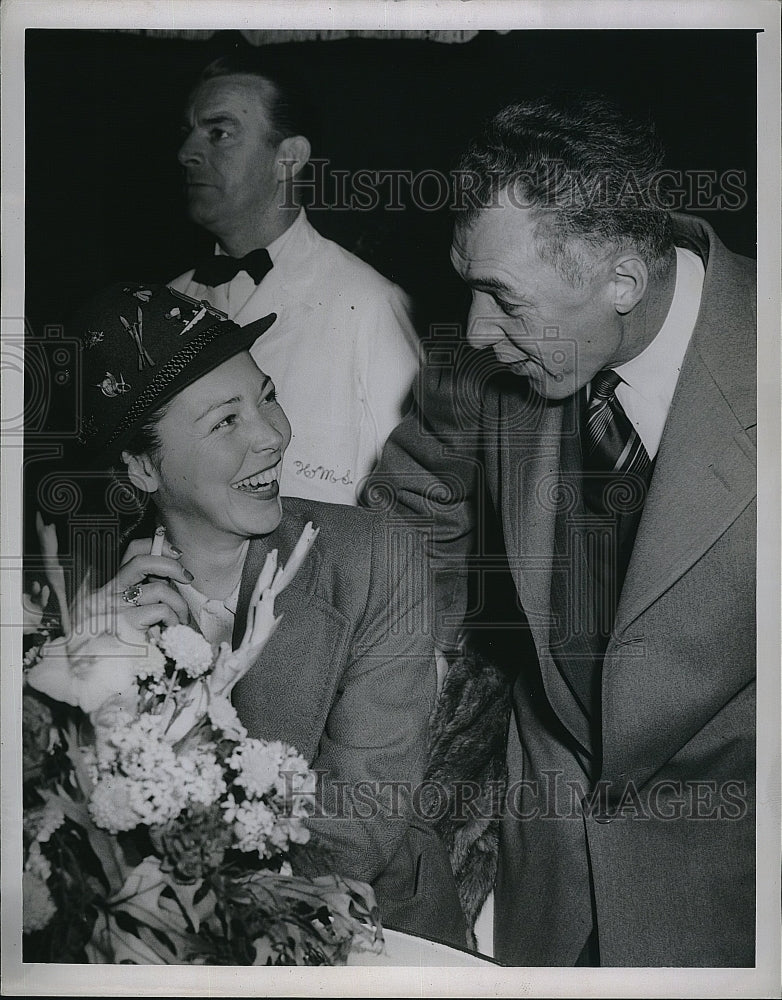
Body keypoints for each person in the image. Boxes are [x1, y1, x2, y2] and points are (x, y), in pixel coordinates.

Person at [363, 95, 756, 967]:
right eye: (468, 284)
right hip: (544, 876)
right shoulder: (491, 360)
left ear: (623, 281)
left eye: (503, 298)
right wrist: (403, 677)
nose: (474, 331)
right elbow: (411, 516)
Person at [62, 281, 467, 949]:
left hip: (375, 934)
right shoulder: (90, 601)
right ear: (141, 467)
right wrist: (90, 674)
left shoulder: (375, 558)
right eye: (226, 421)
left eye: (268, 396)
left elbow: (360, 826)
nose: (274, 436)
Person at [169, 55, 420, 506]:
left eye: (219, 133)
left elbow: (421, 499)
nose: (186, 152)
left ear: (289, 158)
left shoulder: (370, 304)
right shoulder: (167, 304)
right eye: (187, 131)